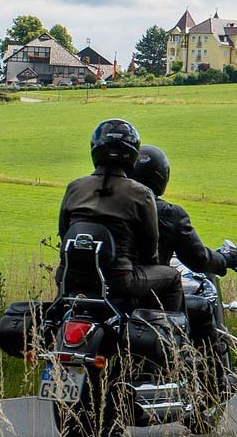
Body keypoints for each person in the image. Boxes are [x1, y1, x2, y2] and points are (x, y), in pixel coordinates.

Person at [58, 120, 183, 311]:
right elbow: (149, 249)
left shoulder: (74, 187)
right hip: (120, 278)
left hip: (69, 275)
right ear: (133, 153)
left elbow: (64, 231)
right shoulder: (141, 193)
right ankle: (169, 334)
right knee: (172, 277)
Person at [130, 145, 237, 276]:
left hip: (110, 282)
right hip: (147, 286)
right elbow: (198, 259)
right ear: (162, 174)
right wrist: (226, 259)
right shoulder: (169, 213)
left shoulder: (113, 204)